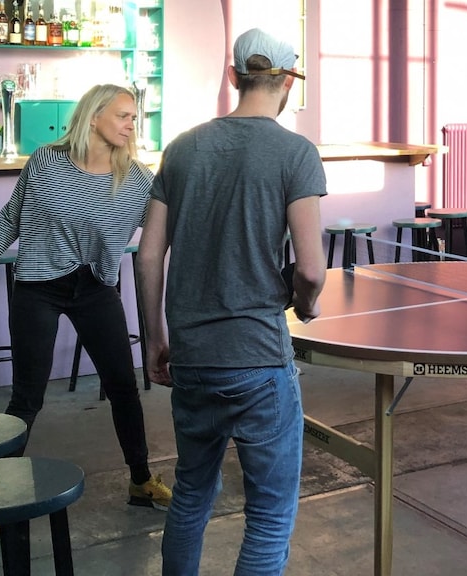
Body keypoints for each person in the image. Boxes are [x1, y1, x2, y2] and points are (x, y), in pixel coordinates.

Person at [136, 28, 327, 575]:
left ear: (232, 77)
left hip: (192, 355)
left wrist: (156, 340)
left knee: (193, 492)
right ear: (288, 81)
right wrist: (306, 304)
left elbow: (149, 256)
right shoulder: (296, 153)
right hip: (258, 358)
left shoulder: (182, 148)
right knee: (268, 515)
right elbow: (311, 269)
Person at [0, 84, 172, 510]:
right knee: (27, 396)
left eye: (133, 118)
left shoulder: (138, 179)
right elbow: (11, 218)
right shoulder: (47, 160)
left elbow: (163, 237)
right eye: (122, 114)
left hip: (95, 288)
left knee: (123, 386)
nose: (130, 124)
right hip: (38, 288)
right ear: (94, 113)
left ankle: (140, 480)